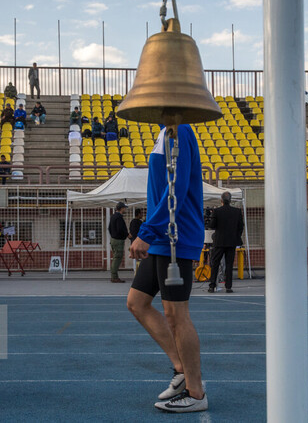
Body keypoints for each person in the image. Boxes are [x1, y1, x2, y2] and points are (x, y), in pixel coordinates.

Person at [128, 123, 208, 413]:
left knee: (176, 315)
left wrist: (147, 231)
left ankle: (196, 393)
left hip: (177, 235)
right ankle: (181, 368)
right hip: (163, 237)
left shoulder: (180, 130)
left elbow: (178, 187)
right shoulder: (164, 133)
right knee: (137, 303)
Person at [207, 192, 244, 293]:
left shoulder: (217, 211)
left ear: (221, 200)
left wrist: (211, 217)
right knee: (229, 264)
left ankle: (212, 285)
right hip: (231, 242)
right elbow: (240, 227)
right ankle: (228, 286)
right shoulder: (237, 212)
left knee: (215, 264)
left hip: (219, 241)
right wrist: (236, 236)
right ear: (230, 200)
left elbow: (212, 225)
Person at [108, 202, 132, 283]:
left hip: (113, 239)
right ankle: (114, 277)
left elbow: (109, 228)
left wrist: (113, 235)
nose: (125, 209)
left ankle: (114, 276)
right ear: (121, 208)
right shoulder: (119, 217)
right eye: (124, 208)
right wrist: (127, 234)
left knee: (115, 257)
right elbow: (120, 229)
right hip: (118, 240)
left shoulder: (113, 216)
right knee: (117, 258)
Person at [129, 208, 144, 273]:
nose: (142, 215)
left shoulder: (132, 222)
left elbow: (131, 232)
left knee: (135, 257)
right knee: (140, 257)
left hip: (133, 241)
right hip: (139, 242)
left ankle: (135, 269)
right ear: (138, 214)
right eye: (141, 213)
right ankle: (139, 270)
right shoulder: (140, 223)